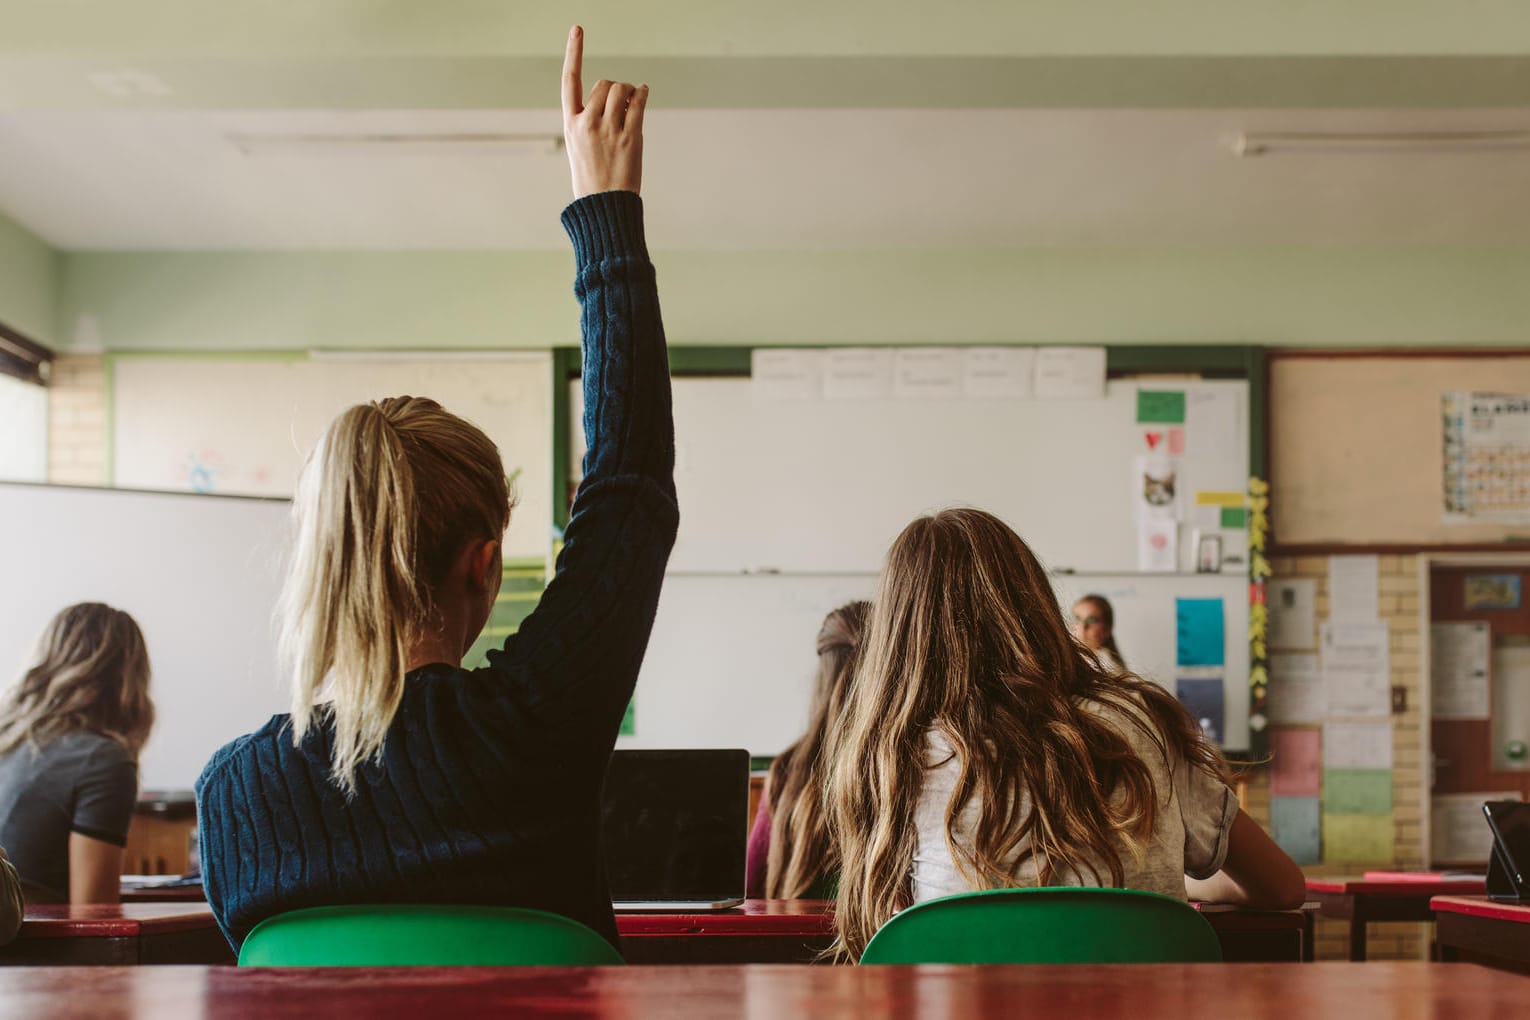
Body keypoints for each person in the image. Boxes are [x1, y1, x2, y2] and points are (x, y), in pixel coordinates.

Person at [195, 26, 676, 953]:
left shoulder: (234, 799)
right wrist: (605, 207)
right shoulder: (533, 731)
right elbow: (630, 486)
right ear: (482, 566)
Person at [826, 508, 1304, 961]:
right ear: (1034, 603)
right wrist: (1182, 884)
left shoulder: (893, 754)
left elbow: (894, 937)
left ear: (897, 633)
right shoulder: (1140, 721)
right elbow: (1282, 887)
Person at [0, 602, 155, 905]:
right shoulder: (103, 760)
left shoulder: (8, 740)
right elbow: (94, 914)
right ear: (128, 677)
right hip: (28, 948)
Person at [745, 601, 870, 900]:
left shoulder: (789, 768)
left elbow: (749, 888)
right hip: (876, 943)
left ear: (821, 675)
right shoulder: (900, 762)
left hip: (791, 942)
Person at [1071, 594, 1126, 672]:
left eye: (1091, 620)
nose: (1082, 626)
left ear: (1107, 629)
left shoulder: (1108, 668)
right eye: (1077, 618)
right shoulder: (1072, 658)